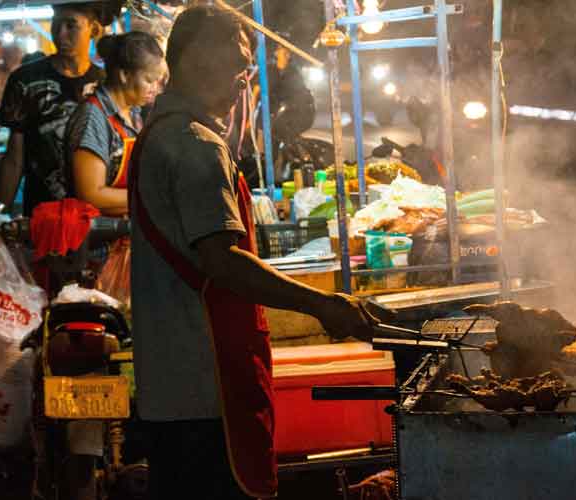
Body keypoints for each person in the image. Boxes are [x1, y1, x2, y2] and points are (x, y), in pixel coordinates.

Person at [130, 6, 377, 499]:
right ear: (199, 57)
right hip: (207, 389)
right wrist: (322, 304)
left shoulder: (158, 135)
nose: (245, 82)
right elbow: (223, 262)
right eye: (241, 65)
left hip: (175, 389)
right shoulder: (193, 143)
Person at [0, 2, 112, 216]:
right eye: (56, 24)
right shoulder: (25, 81)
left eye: (71, 25)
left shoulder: (106, 83)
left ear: (94, 30)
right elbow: (14, 158)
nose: (60, 33)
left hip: (98, 219)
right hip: (44, 217)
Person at [64, 31, 166, 215]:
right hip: (97, 239)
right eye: (149, 80)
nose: (155, 89)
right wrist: (153, 198)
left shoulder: (133, 112)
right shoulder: (92, 117)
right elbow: (91, 194)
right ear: (125, 74)